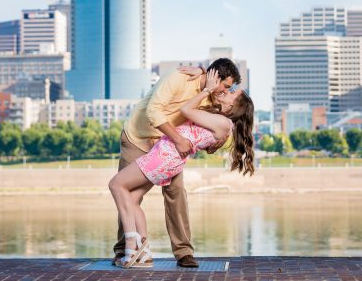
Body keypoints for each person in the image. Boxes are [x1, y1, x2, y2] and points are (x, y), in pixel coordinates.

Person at [109, 69, 255, 268]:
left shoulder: (216, 111)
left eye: (229, 91)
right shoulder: (185, 81)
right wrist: (203, 74)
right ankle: (140, 253)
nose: (224, 91)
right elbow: (155, 111)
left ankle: (136, 249)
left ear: (233, 106)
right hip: (144, 140)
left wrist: (207, 91)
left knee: (119, 187)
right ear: (215, 77)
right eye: (226, 87)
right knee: (131, 199)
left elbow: (189, 114)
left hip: (165, 155)